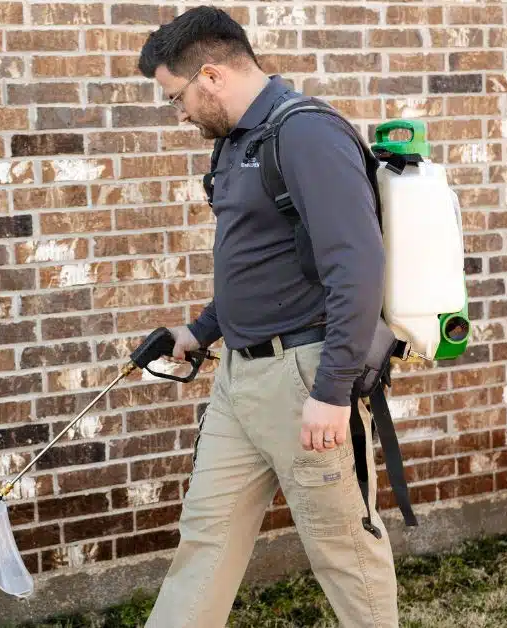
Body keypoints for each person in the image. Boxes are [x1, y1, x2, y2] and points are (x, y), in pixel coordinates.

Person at [137, 7, 398, 627]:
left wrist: (333, 393)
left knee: (344, 548)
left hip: (306, 377)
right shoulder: (238, 144)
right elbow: (257, 261)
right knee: (205, 540)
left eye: (177, 98)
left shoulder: (307, 135)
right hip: (240, 379)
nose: (178, 115)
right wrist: (198, 332)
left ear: (210, 75)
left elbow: (356, 268)